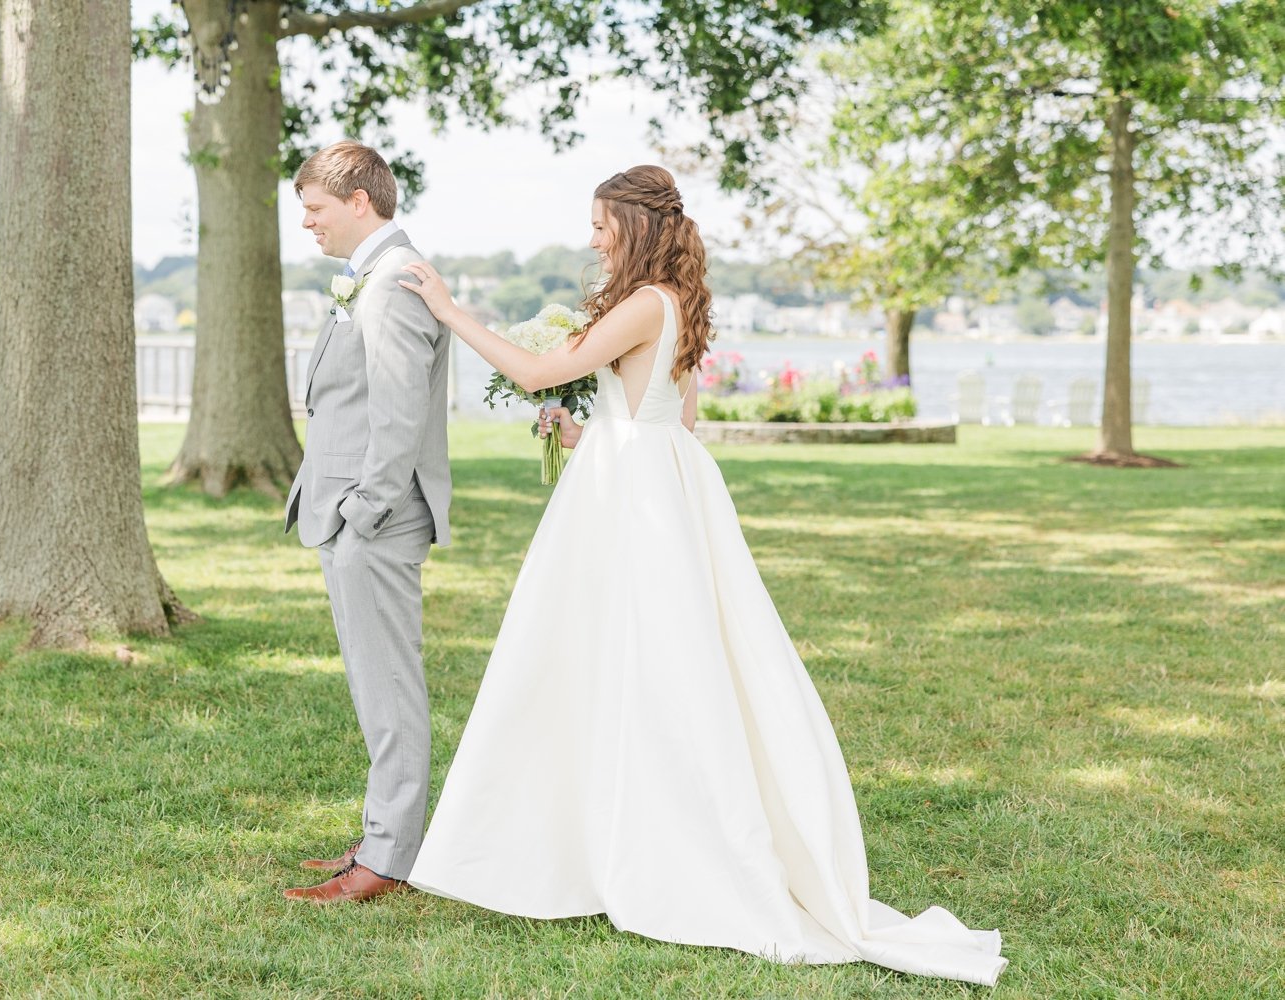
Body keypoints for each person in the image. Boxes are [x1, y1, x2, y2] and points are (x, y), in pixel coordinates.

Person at [396, 165, 1007, 986]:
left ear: (635, 226)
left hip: (630, 505)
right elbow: (673, 417)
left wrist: (448, 309)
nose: (592, 236)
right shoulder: (676, 301)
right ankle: (598, 839)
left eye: (602, 222)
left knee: (629, 666)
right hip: (645, 485)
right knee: (626, 663)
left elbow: (542, 372)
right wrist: (588, 434)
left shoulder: (646, 303)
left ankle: (638, 848)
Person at [282, 141, 452, 904]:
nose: (309, 225)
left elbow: (400, 413)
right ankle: (383, 836)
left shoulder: (391, 285)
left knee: (388, 689)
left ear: (360, 201)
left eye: (316, 209)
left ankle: (387, 859)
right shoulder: (373, 278)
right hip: (353, 512)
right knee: (372, 686)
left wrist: (363, 510)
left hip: (372, 518)